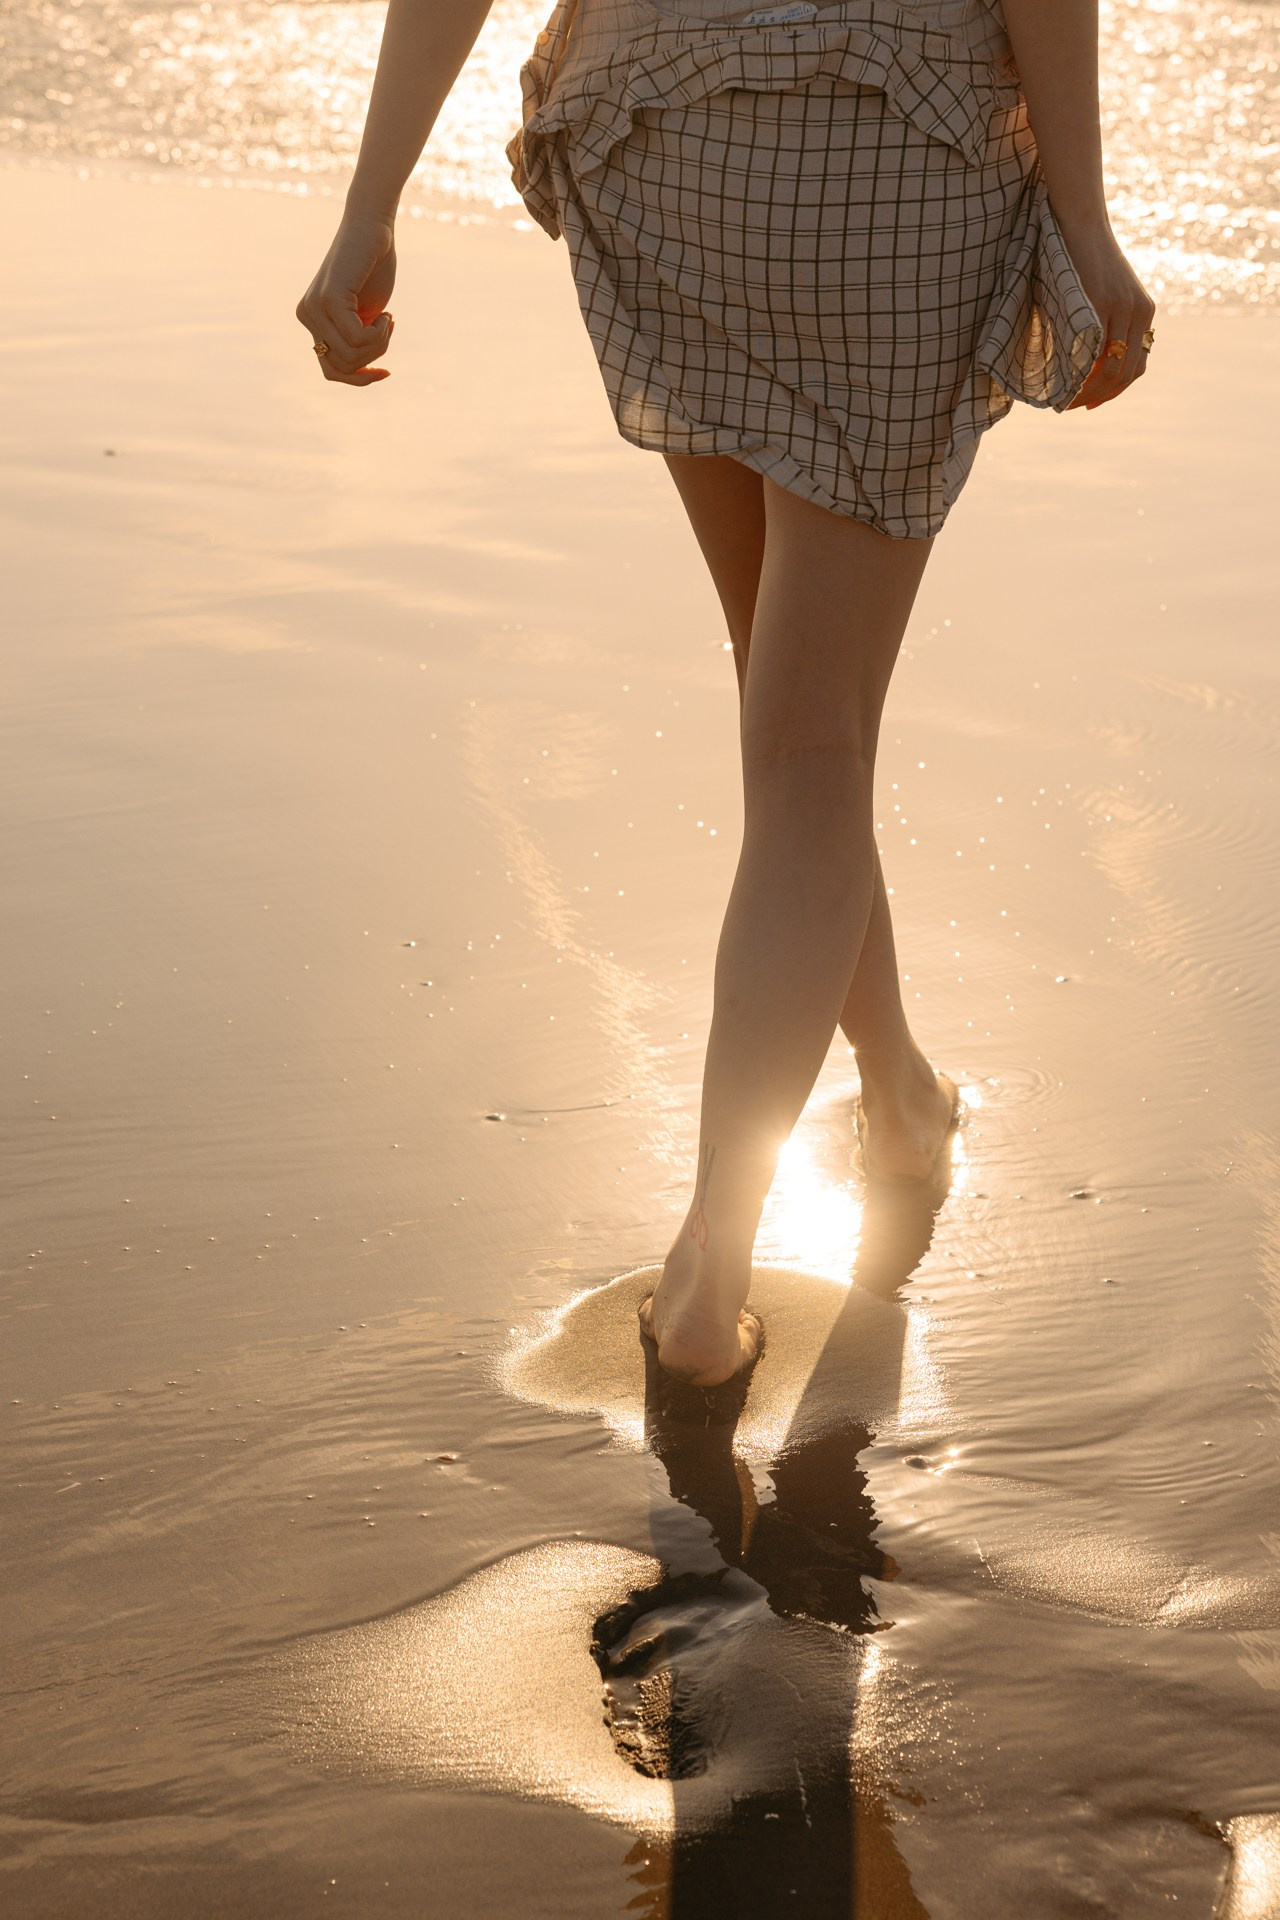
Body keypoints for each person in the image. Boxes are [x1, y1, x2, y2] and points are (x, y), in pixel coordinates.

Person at [296, 0, 1155, 1389]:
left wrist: (368, 205)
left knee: (789, 708)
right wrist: (1091, 223)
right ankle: (711, 1269)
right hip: (892, 147)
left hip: (665, 137)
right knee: (814, 742)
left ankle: (902, 1100)